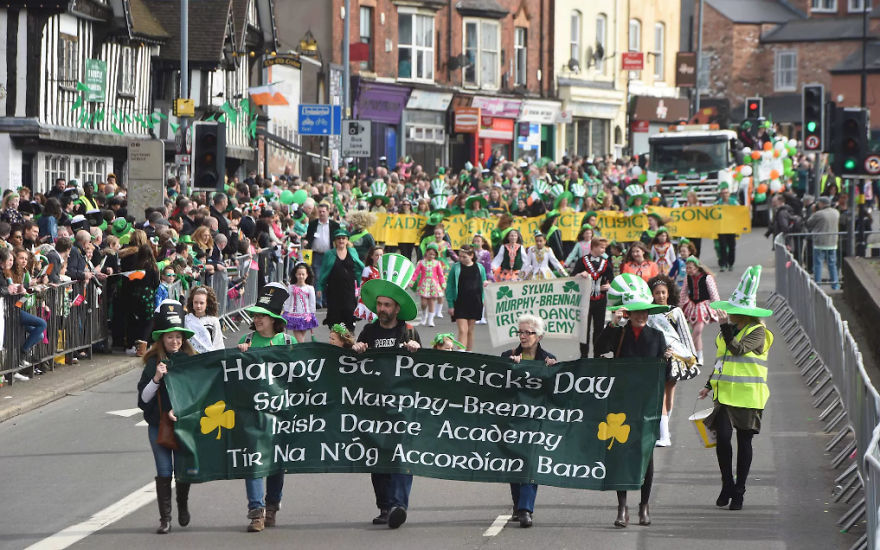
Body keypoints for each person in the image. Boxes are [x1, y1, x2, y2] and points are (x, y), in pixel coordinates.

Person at [597, 274, 671, 528]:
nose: (642, 316)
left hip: (647, 405)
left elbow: (668, 376)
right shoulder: (619, 334)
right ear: (629, 313)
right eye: (637, 312)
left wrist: (668, 361)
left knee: (646, 457)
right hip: (620, 404)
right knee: (621, 455)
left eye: (645, 312)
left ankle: (644, 505)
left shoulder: (657, 337)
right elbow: (598, 350)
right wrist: (611, 324)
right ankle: (622, 507)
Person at [354, 253, 422, 529]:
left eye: (387, 305)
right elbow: (351, 370)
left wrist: (417, 352)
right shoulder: (368, 332)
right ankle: (384, 506)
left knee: (401, 456)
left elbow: (425, 370)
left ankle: (398, 505)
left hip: (402, 406)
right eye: (379, 304)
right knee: (378, 458)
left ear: (397, 308)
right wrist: (356, 351)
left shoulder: (408, 333)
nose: (382, 309)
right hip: (373, 406)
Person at [699, 266, 774, 511]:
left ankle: (739, 490)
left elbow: (738, 350)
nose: (729, 314)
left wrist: (723, 326)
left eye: (734, 312)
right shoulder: (726, 332)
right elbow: (722, 360)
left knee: (744, 443)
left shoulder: (758, 332)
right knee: (722, 439)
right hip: (725, 396)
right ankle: (727, 483)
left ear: (744, 313)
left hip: (749, 397)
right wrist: (708, 384)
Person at [237, 282, 295, 532]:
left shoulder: (287, 340)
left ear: (274, 319)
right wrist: (240, 355)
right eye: (256, 315)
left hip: (279, 411)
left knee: (276, 462)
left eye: (263, 315)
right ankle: (256, 511)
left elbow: (301, 375)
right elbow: (232, 375)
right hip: (252, 411)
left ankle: (272, 505)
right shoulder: (246, 339)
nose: (258, 319)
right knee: (253, 461)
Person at [136, 300, 197, 534]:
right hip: (158, 425)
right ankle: (165, 519)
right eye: (170, 337)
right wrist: (156, 379)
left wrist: (180, 412)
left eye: (178, 337)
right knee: (164, 471)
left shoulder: (191, 361)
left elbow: (198, 393)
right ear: (162, 339)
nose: (175, 341)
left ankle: (182, 505)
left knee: (182, 470)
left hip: (183, 425)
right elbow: (143, 399)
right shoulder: (153, 363)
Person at [501, 314, 558, 528]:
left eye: (528, 332)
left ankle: (526, 509)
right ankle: (518, 504)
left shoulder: (548, 359)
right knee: (514, 464)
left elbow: (555, 393)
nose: (523, 336)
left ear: (539, 336)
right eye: (520, 332)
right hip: (513, 420)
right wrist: (509, 368)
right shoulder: (509, 355)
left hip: (536, 422)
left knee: (530, 464)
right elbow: (498, 387)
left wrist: (553, 371)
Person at [647, 275, 699, 447]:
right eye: (657, 293)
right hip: (658, 357)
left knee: (669, 394)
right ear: (652, 294)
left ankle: (665, 428)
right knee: (659, 394)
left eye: (663, 292)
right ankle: (664, 434)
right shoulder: (648, 312)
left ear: (668, 293)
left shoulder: (675, 311)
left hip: (675, 357)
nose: (660, 296)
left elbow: (685, 334)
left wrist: (691, 356)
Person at [0, 247, 48, 380]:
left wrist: (22, 291)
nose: (23, 261)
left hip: (15, 308)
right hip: (9, 311)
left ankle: (20, 358)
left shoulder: (16, 272)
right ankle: (18, 360)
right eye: (20, 258)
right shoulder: (8, 272)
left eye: (26, 259)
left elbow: (17, 296)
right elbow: (7, 291)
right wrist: (12, 290)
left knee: (38, 334)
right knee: (40, 324)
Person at [572, 237, 614, 357]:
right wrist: (580, 274)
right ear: (594, 247)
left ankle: (597, 354)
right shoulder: (582, 261)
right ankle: (583, 355)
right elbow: (572, 277)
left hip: (600, 300)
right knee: (584, 329)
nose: (603, 250)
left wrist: (609, 285)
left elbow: (611, 278)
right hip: (585, 300)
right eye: (601, 247)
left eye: (604, 247)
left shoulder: (605, 262)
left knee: (599, 329)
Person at [316, 229, 363, 332]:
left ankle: (349, 341)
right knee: (335, 317)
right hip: (334, 291)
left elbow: (359, 269)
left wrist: (360, 284)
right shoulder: (329, 254)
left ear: (347, 240)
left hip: (349, 290)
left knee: (349, 314)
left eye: (343, 238)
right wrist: (319, 287)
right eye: (338, 238)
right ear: (335, 241)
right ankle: (335, 340)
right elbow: (323, 271)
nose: (341, 240)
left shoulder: (353, 252)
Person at [680, 257, 722, 364]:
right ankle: (699, 356)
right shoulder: (687, 278)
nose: (688, 270)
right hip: (692, 305)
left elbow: (713, 293)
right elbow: (683, 293)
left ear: (696, 267)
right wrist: (680, 307)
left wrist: (718, 307)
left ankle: (687, 351)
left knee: (698, 330)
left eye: (690, 268)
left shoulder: (707, 277)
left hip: (703, 305)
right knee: (696, 332)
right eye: (687, 268)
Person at [446, 244, 487, 351]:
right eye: (460, 256)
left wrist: (484, 298)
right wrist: (450, 304)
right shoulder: (456, 267)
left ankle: (469, 352)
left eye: (464, 257)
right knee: (463, 330)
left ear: (471, 255)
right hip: (460, 303)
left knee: (470, 330)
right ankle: (461, 353)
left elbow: (483, 284)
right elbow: (450, 285)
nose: (461, 259)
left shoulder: (480, 267)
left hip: (475, 302)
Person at [304, 203, 339, 309]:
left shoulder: (334, 225)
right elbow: (309, 237)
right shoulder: (313, 224)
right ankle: (318, 301)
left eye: (324, 211)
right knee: (318, 277)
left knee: (329, 278)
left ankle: (326, 300)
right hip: (316, 254)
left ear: (328, 212)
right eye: (320, 211)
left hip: (330, 254)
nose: (322, 213)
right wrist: (306, 242)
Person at [805, 196, 840, 290]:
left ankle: (818, 285)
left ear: (821, 203)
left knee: (818, 264)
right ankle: (835, 284)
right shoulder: (836, 212)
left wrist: (813, 212)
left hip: (820, 242)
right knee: (832, 264)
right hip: (832, 242)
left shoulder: (819, 214)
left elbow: (809, 223)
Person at [411, 243, 445, 327]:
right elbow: (416, 273)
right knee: (423, 303)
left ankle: (430, 320)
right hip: (424, 284)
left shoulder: (437, 263)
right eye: (430, 254)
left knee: (432, 302)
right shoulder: (421, 263)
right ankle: (423, 316)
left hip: (434, 285)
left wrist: (443, 284)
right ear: (426, 253)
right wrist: (412, 281)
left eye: (433, 254)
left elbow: (440, 275)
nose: (431, 256)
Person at [283, 262, 318, 342]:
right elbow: (288, 301)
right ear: (295, 275)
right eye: (299, 274)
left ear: (307, 275)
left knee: (301, 337)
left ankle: (300, 351)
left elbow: (312, 302)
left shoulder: (310, 288)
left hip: (306, 316)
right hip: (294, 316)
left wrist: (312, 313)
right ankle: (302, 350)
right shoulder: (291, 287)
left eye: (303, 274)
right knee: (300, 339)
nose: (301, 276)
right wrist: (286, 311)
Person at [184, 286, 224, 353]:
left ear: (207, 304)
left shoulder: (213, 321)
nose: (198, 306)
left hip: (209, 357)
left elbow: (218, 343)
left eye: (201, 303)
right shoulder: (186, 319)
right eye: (195, 302)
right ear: (192, 302)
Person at [714, 184, 739, 271]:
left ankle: (730, 263)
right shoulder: (717, 203)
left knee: (732, 247)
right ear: (721, 195)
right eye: (723, 193)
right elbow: (712, 213)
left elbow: (740, 211)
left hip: (731, 228)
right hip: (722, 228)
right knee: (722, 246)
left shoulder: (734, 202)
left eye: (726, 193)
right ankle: (723, 264)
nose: (725, 194)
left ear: (729, 194)